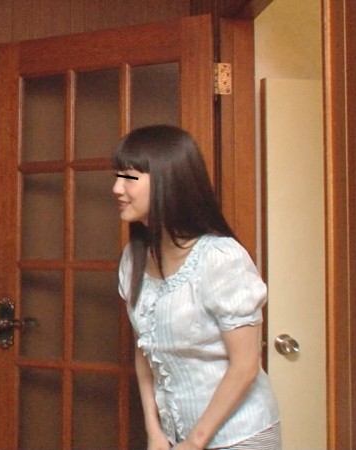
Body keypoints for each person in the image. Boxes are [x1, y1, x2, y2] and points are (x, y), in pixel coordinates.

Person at [113, 125, 281, 450]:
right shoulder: (133, 258)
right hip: (177, 436)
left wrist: (194, 442)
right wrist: (154, 431)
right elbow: (144, 350)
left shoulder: (220, 257)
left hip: (241, 435)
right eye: (117, 176)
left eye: (129, 177)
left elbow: (245, 365)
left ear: (169, 181)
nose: (117, 188)